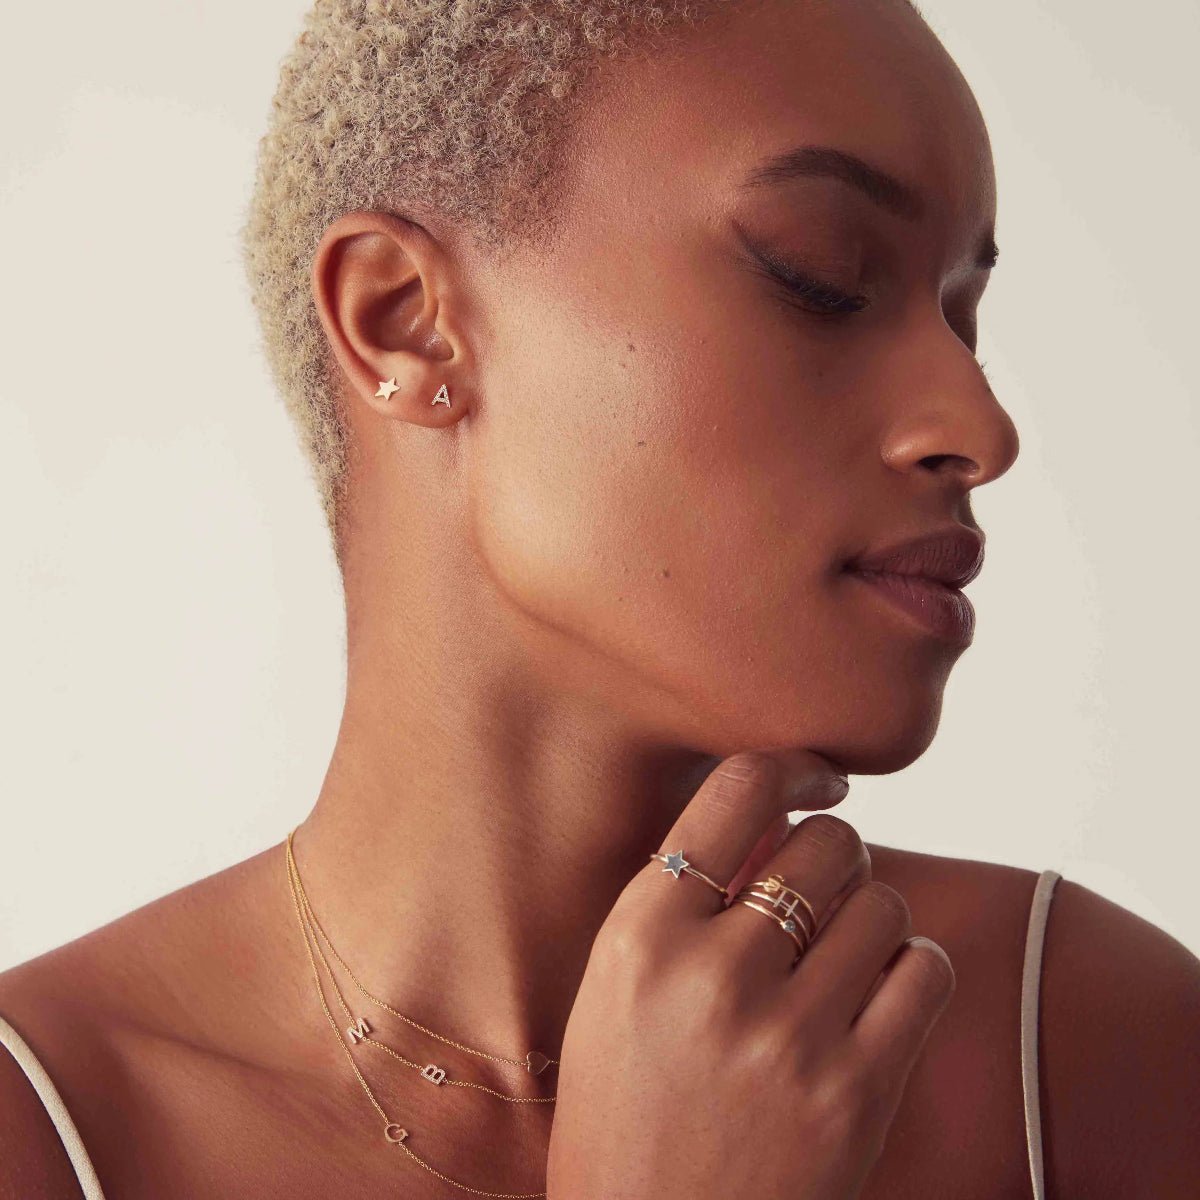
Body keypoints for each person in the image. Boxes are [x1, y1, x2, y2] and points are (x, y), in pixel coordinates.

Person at [2, 0, 1198, 1195]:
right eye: (822, 278)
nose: (978, 428)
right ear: (404, 322)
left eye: (961, 319)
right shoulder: (48, 1129)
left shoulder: (1086, 1052)